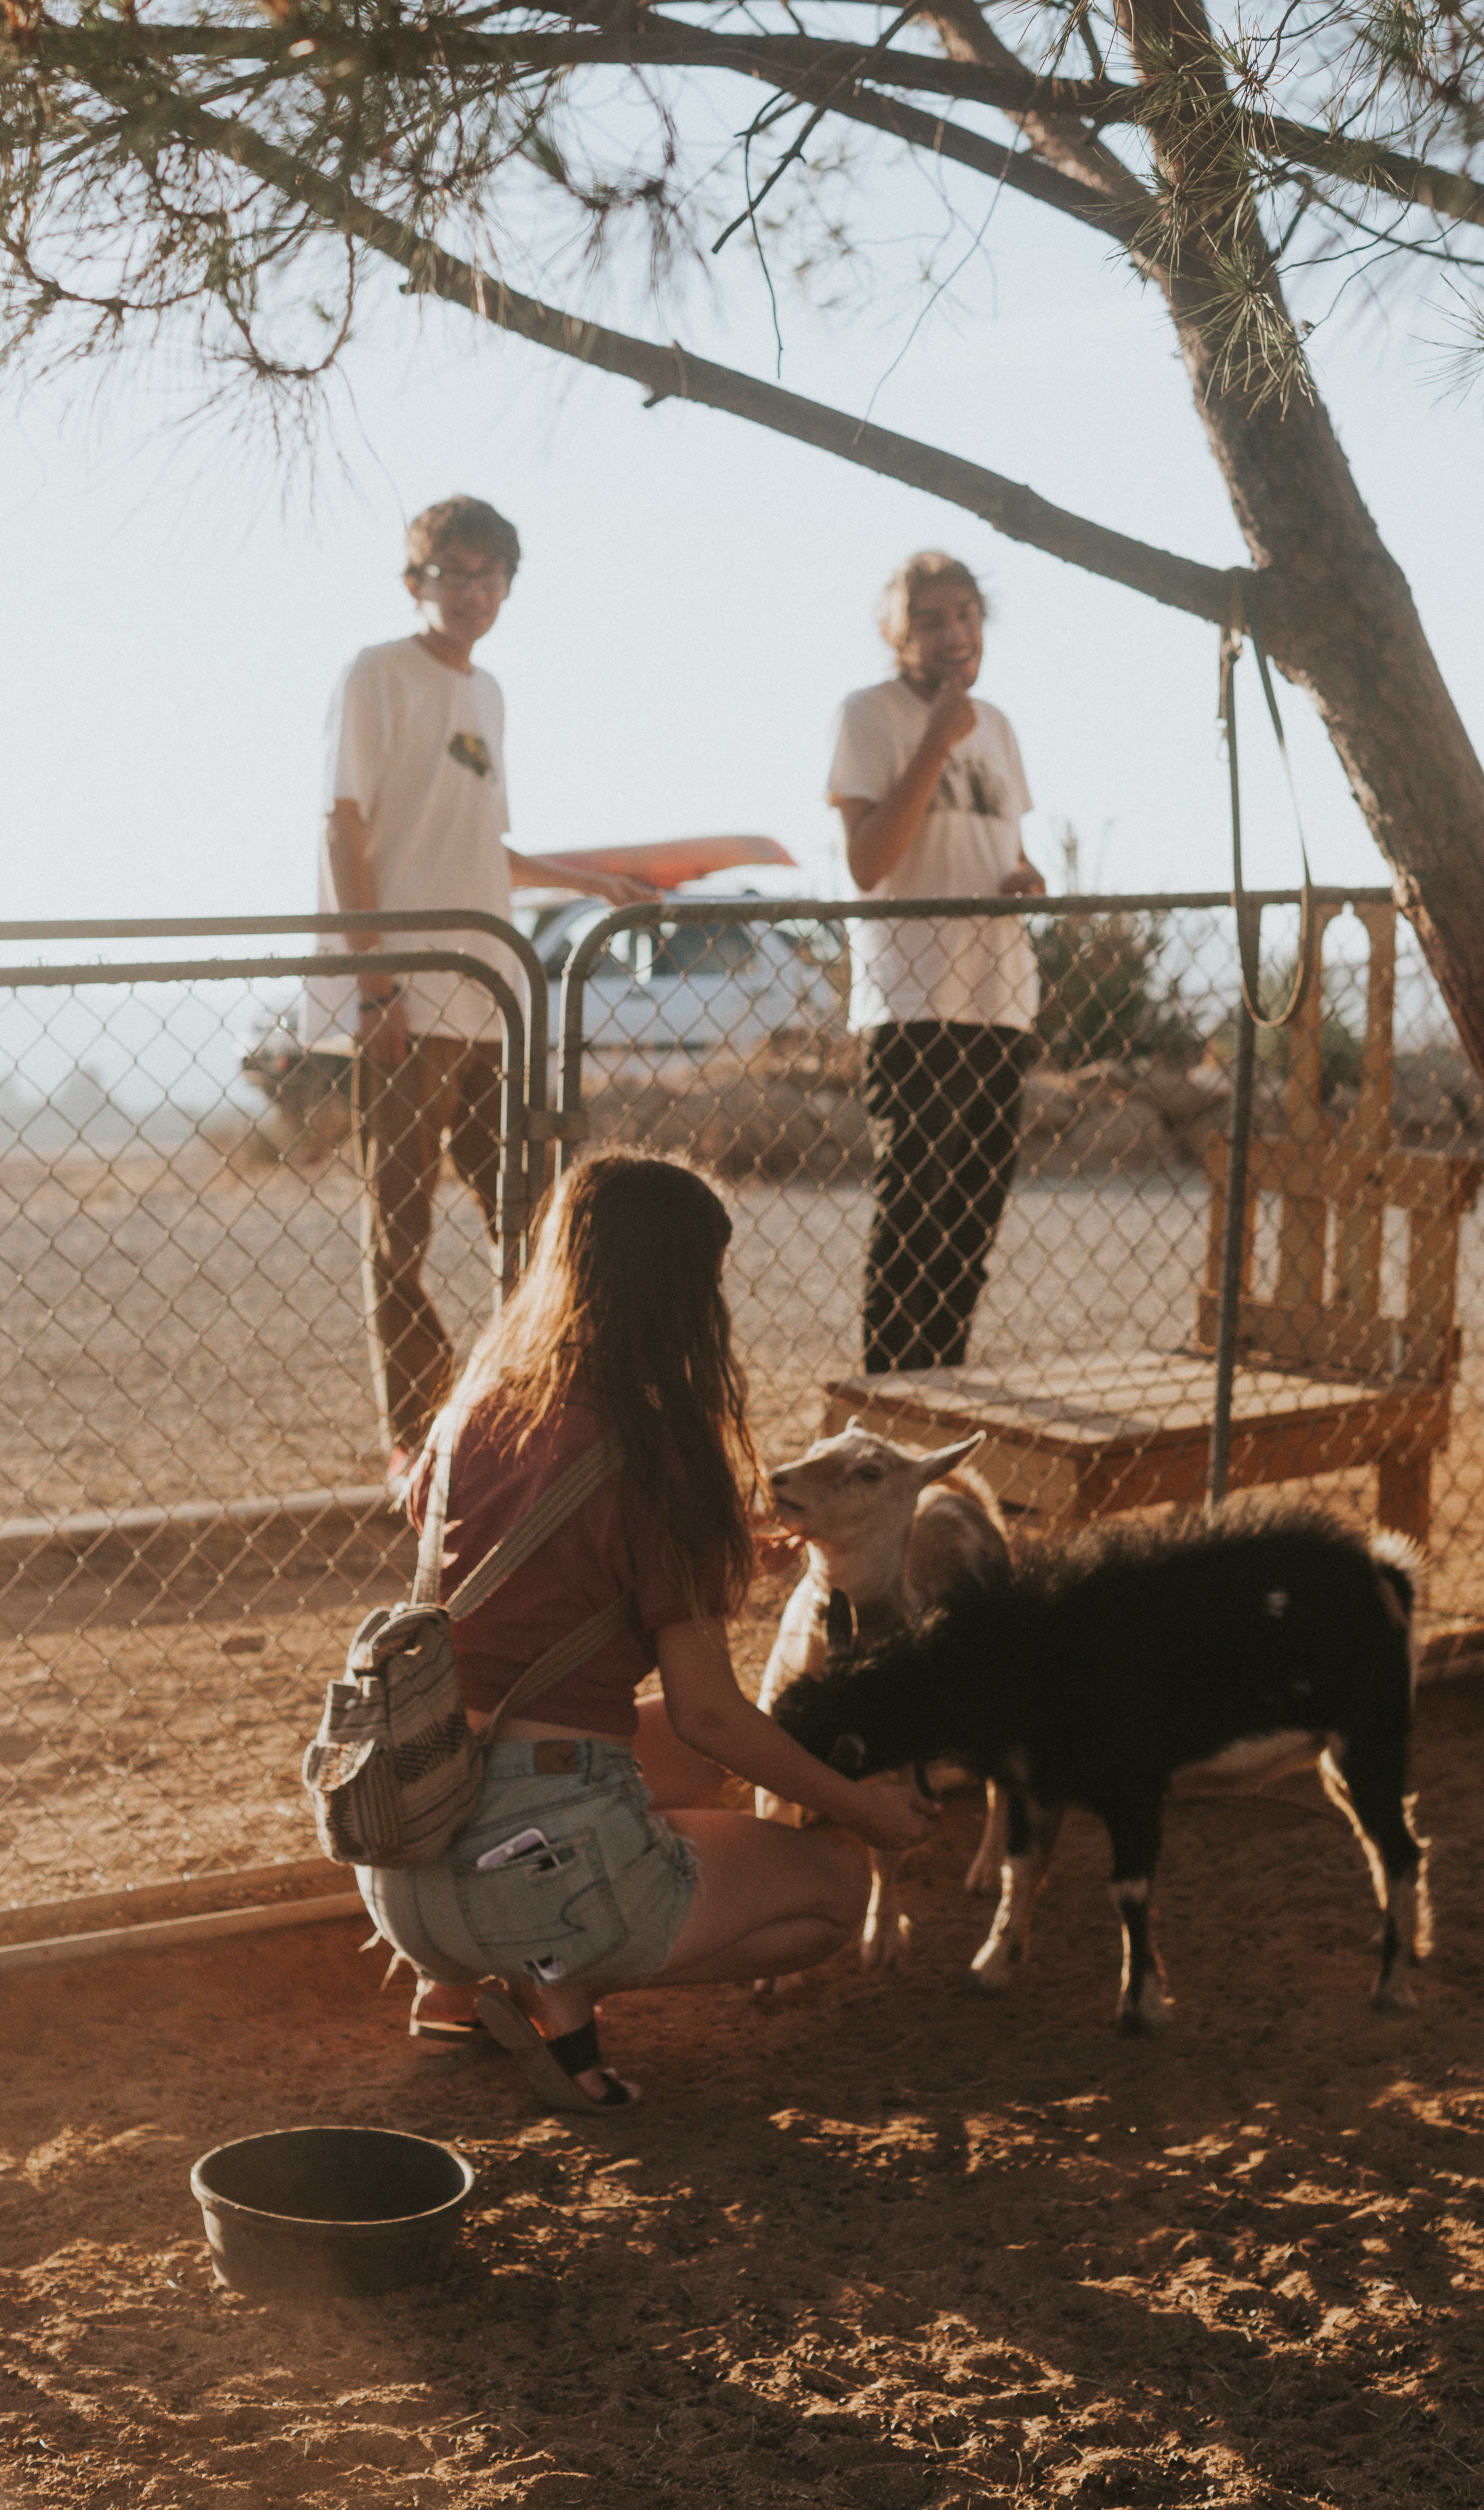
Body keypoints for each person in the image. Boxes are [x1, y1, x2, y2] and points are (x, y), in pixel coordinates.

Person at [360, 1154, 937, 2110]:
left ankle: (454, 1989)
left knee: (655, 1748)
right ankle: (555, 1972)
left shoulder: (474, 1406)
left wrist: (705, 1551)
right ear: (679, 1292)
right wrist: (863, 1810)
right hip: (534, 1870)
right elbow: (713, 1716)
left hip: (407, 1848)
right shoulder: (661, 1446)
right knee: (830, 1889)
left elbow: (517, 1571)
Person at [305, 496, 641, 1484]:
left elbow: (472, 851)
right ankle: (417, 1435)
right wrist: (375, 987)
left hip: (488, 995)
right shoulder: (378, 674)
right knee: (399, 1230)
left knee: (530, 1219)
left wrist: (589, 882)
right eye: (452, 572)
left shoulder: (487, 691)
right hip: (408, 998)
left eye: (491, 575)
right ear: (417, 581)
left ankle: (534, 1409)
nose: (472, 592)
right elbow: (344, 826)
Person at [827, 552, 1046, 1374]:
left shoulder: (998, 725)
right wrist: (934, 739)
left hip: (998, 997)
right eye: (930, 619)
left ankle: (946, 1395)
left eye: (965, 616)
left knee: (969, 1228)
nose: (953, 634)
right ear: (896, 632)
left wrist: (1026, 880)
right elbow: (868, 860)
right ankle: (891, 1402)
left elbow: (1005, 850)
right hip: (913, 999)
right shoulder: (869, 714)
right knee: (913, 1219)